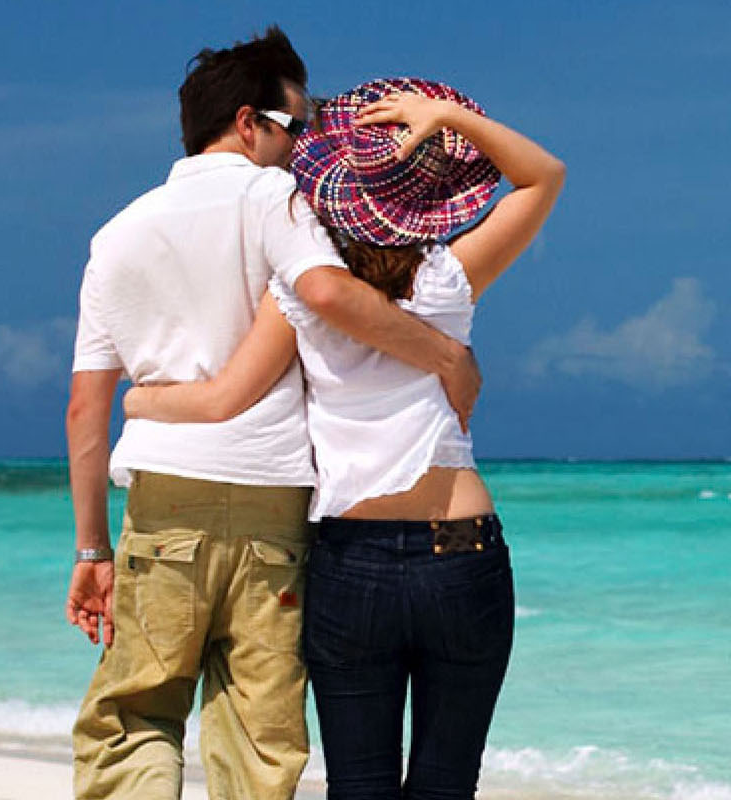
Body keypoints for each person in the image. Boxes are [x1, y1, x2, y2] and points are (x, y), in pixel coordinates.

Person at [64, 30, 481, 800]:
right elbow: (325, 292)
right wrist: (443, 355)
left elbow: (86, 405)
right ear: (250, 123)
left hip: (165, 504)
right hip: (273, 503)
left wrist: (92, 549)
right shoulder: (276, 199)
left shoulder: (117, 235)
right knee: (259, 738)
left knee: (136, 716)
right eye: (299, 127)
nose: (306, 148)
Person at [121, 77, 564, 800]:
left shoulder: (297, 291)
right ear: (430, 198)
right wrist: (447, 116)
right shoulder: (448, 279)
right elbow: (544, 174)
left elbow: (225, 397)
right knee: (447, 785)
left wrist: (141, 398)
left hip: (349, 561)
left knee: (357, 788)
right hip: (462, 552)